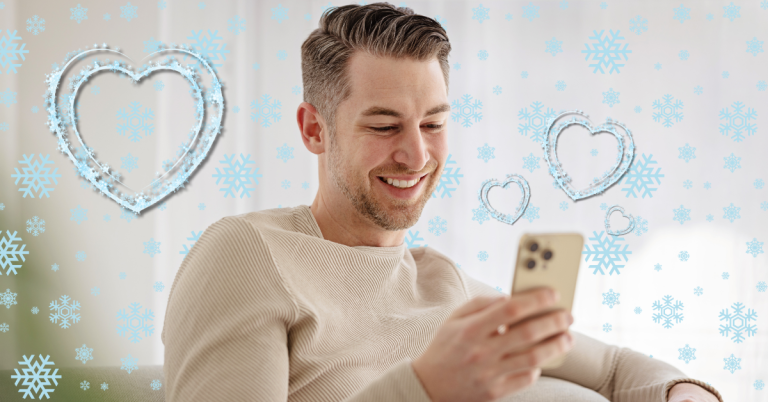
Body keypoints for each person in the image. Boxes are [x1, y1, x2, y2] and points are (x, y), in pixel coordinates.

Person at [162, 3, 724, 401]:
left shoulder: (440, 282)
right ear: (314, 129)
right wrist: (426, 387)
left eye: (433, 123)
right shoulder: (246, 255)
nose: (416, 154)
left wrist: (684, 393)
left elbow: (614, 367)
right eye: (383, 125)